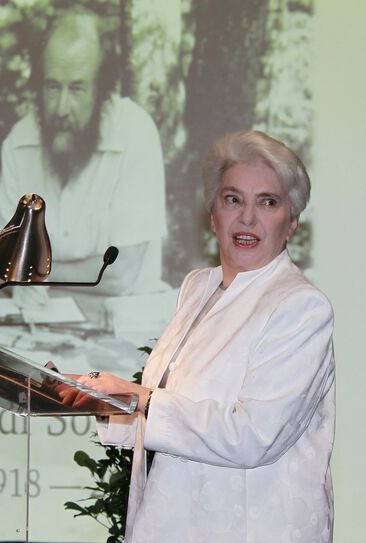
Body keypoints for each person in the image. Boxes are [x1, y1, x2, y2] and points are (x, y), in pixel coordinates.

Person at [68, 131, 335, 542]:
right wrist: (102, 402)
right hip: (170, 522)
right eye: (233, 199)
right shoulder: (198, 287)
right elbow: (174, 413)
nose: (247, 217)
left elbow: (253, 436)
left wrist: (139, 397)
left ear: (292, 223)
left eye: (268, 202)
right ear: (213, 215)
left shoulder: (300, 306)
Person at [0, 11, 167, 304]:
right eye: (52, 87)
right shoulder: (19, 143)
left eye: (76, 89)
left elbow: (120, 274)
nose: (61, 108)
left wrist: (34, 275)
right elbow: (7, 265)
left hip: (121, 332)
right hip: (34, 327)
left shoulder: (135, 132)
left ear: (102, 91)